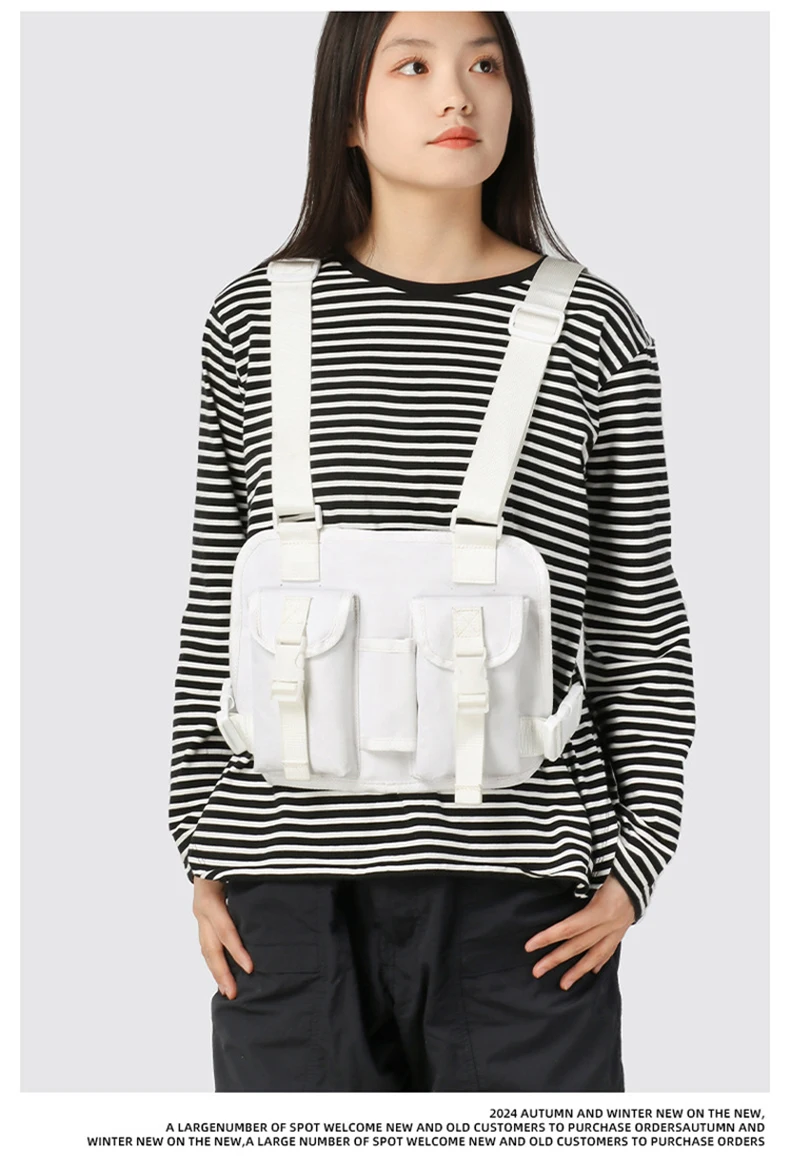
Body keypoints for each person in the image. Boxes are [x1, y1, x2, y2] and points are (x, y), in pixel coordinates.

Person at [169, 10, 696, 1093]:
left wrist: (637, 865)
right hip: (285, 902)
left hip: (523, 905)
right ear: (348, 114)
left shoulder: (596, 328)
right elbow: (214, 606)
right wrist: (197, 844)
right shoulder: (251, 320)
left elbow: (638, 614)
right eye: (411, 65)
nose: (457, 94)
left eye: (485, 64)